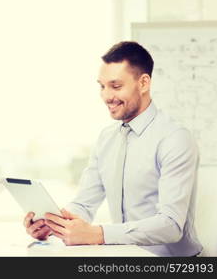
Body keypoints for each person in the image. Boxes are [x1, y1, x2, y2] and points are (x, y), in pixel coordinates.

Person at [23, 41, 203, 256]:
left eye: (116, 86)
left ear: (144, 83)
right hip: (124, 258)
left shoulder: (174, 138)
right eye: (102, 86)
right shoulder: (106, 138)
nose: (106, 96)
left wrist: (98, 234)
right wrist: (54, 226)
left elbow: (171, 226)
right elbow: (84, 204)